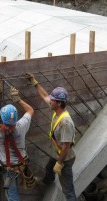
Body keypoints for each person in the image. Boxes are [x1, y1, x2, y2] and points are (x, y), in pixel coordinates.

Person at [26, 73, 77, 201]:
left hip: (65, 158)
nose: (50, 100)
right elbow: (44, 95)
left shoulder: (66, 122)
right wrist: (34, 82)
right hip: (57, 153)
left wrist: (59, 164)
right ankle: (48, 181)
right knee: (49, 168)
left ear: (59, 103)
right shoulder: (57, 109)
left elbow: (66, 147)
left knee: (68, 190)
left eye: (52, 100)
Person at [0, 81, 34, 201]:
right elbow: (30, 110)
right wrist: (17, 99)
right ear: (15, 120)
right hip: (23, 164)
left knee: (12, 196)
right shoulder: (20, 127)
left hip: (9, 169)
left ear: (2, 120)